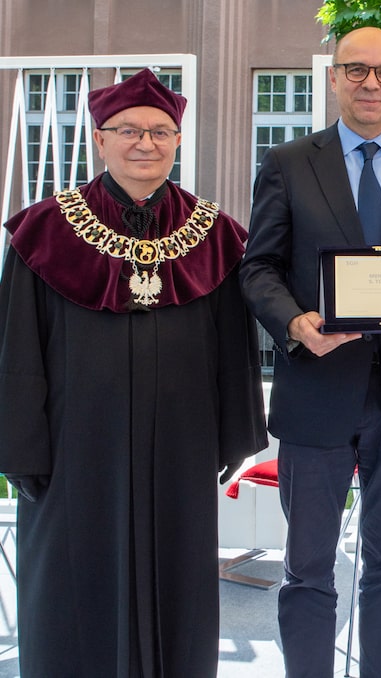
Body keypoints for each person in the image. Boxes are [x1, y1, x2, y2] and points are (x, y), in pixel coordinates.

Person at [0, 68, 268, 676]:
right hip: (72, 451)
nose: (145, 143)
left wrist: (230, 435)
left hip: (181, 445)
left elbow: (235, 348)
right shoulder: (43, 230)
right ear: (100, 138)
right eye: (129, 131)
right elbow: (17, 349)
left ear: (178, 140)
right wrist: (21, 448)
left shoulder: (215, 234)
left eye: (161, 131)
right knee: (72, 583)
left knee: (178, 583)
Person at [239, 26, 381, 678]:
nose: (373, 83)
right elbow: (257, 269)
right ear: (335, 77)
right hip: (315, 391)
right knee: (308, 564)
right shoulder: (287, 164)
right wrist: (296, 323)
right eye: (358, 70)